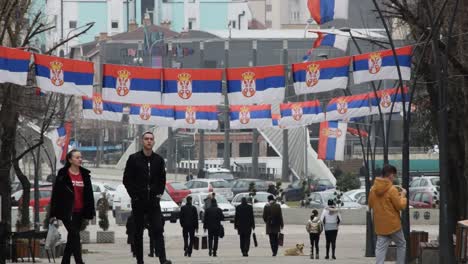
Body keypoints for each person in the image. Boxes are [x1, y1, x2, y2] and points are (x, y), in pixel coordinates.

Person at [123, 131, 171, 264]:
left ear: (154, 141)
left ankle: (163, 259)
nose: (149, 141)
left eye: (151, 139)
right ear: (142, 141)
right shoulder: (134, 159)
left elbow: (162, 180)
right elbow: (127, 180)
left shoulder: (159, 160)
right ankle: (140, 260)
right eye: (146, 139)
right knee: (138, 232)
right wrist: (135, 196)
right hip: (139, 202)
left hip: (153, 203)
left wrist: (158, 195)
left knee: (158, 229)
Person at [49, 149, 95, 264]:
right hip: (67, 211)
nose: (80, 159)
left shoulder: (85, 174)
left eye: (81, 157)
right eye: (77, 157)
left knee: (72, 237)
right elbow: (56, 194)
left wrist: (90, 211)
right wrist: (53, 213)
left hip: (80, 211)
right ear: (70, 160)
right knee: (75, 234)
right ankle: (79, 261)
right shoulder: (63, 174)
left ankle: (65, 261)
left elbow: (89, 195)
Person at [369, 164, 407, 264]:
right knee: (401, 244)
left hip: (380, 226)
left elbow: (370, 204)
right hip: (393, 225)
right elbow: (400, 206)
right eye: (394, 175)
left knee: (380, 248)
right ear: (390, 175)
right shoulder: (392, 189)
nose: (394, 178)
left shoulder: (373, 189)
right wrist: (402, 196)